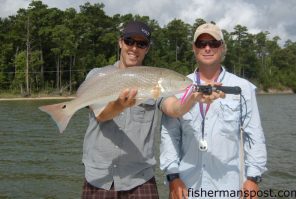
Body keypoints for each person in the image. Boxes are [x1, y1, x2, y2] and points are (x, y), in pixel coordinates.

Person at [81, 21, 223, 199]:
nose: (134, 48)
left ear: (147, 48)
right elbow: (100, 116)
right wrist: (118, 106)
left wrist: (192, 99)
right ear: (120, 42)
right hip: (99, 176)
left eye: (141, 44)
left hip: (140, 178)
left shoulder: (157, 82)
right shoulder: (97, 75)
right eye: (129, 41)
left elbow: (174, 109)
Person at [160, 23, 267, 199]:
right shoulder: (178, 86)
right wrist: (172, 177)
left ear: (222, 47)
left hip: (230, 188)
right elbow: (169, 135)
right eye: (201, 44)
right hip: (186, 187)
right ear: (194, 48)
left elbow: (254, 135)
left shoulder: (243, 88)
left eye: (213, 43)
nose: (207, 48)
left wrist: (253, 178)